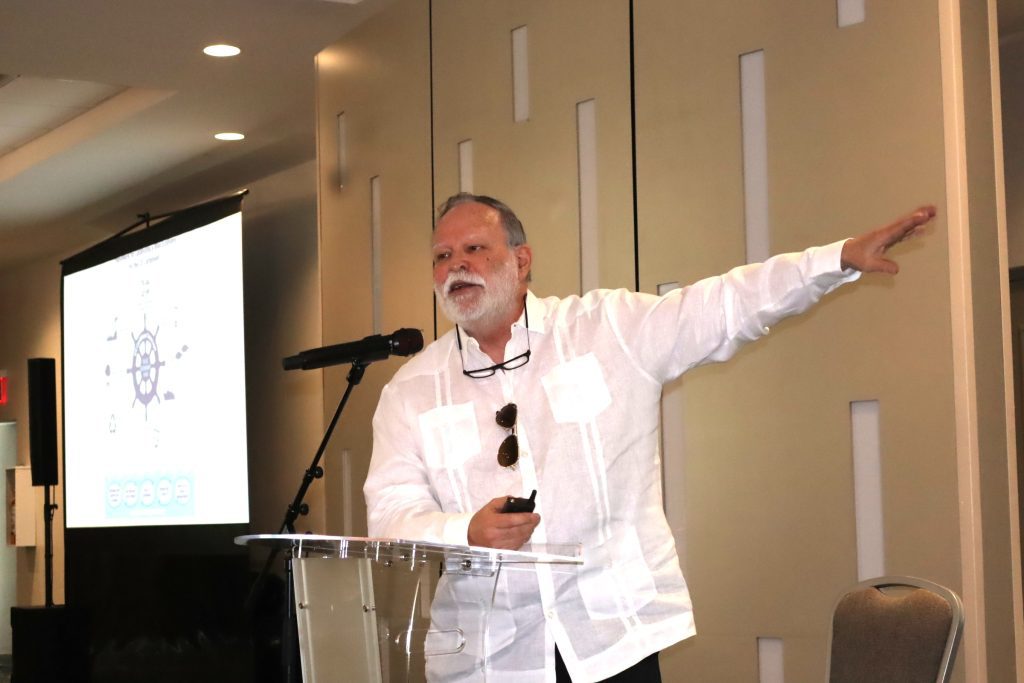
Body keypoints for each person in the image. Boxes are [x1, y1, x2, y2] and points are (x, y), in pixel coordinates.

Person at [363, 193, 935, 683]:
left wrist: (836, 260)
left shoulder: (606, 328)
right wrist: (464, 530)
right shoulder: (411, 390)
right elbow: (389, 515)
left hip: (613, 638)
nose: (457, 266)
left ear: (521, 260)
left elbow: (724, 305)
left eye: (473, 248)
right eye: (442, 256)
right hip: (487, 657)